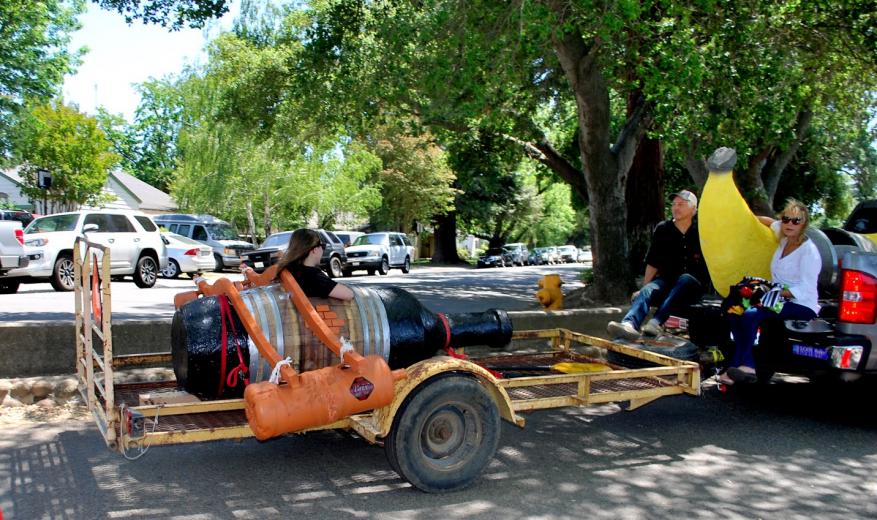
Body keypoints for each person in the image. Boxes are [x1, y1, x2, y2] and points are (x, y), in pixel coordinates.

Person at [718, 199, 820, 385]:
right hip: (777, 297)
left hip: (801, 304)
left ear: (803, 224)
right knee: (732, 308)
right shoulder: (783, 236)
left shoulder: (809, 252)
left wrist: (771, 292)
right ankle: (736, 367)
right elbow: (768, 221)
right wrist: (745, 220)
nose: (789, 224)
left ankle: (746, 365)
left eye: (796, 221)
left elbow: (805, 289)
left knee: (750, 314)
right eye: (786, 219)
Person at [607, 190, 710, 339]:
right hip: (667, 281)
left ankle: (656, 322)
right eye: (674, 204)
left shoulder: (701, 232)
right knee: (649, 289)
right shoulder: (663, 229)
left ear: (693, 209)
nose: (676, 208)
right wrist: (643, 288)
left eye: (681, 204)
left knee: (686, 279)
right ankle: (629, 325)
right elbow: (653, 261)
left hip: (691, 287)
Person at [273, 228, 354, 300]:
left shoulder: (287, 269)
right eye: (323, 246)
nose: (323, 250)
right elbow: (348, 295)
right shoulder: (313, 275)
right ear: (314, 250)